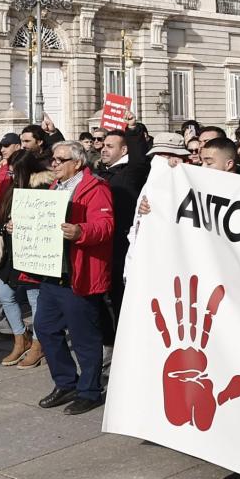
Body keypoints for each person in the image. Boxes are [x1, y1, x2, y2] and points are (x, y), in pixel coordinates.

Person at [33, 140, 116, 416]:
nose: (53, 164)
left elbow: (105, 226)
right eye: (52, 159)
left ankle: (90, 391)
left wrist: (81, 232)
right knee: (45, 328)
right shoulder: (55, 187)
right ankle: (66, 382)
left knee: (84, 338)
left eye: (59, 159)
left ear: (77, 163)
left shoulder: (96, 188)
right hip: (53, 273)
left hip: (79, 274)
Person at [0, 151, 52, 369]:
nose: (10, 174)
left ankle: (38, 343)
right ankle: (20, 337)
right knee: (4, 295)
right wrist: (6, 226)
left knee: (35, 298)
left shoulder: (43, 187)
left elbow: (48, 221)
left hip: (32, 252)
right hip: (11, 252)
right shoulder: (13, 186)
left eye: (13, 171)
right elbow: (3, 217)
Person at [98, 127, 151, 340]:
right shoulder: (100, 172)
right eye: (103, 145)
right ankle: (108, 337)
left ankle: (123, 339)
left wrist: (133, 129)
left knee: (120, 295)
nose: (103, 150)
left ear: (124, 150)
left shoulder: (130, 172)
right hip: (103, 244)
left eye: (110, 146)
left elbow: (139, 160)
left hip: (122, 244)